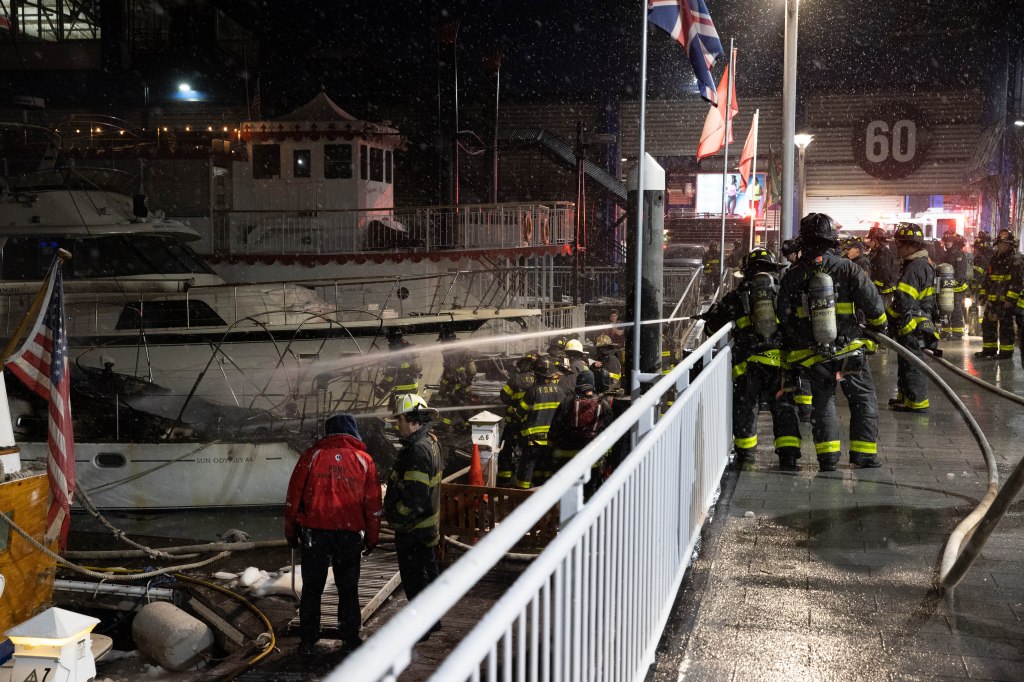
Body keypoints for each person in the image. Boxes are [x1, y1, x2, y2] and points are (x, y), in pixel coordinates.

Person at [778, 213, 888, 471]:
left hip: (814, 353)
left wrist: (799, 341)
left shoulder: (794, 274)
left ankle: (827, 459)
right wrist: (878, 328)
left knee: (823, 401)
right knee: (862, 398)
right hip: (850, 348)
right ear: (832, 240)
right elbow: (874, 305)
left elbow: (783, 315)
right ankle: (864, 455)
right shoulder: (849, 268)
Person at [285, 414, 381, 657]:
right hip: (349, 535)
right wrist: (372, 536)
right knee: (348, 588)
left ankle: (308, 640)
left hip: (315, 533)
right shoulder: (364, 460)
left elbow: (293, 498)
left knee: (312, 588)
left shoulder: (311, 456)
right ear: (353, 432)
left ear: (328, 432)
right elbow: (373, 504)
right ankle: (349, 639)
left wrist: (291, 532)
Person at [703, 247, 803, 469]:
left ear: (747, 271)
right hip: (780, 363)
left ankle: (746, 454)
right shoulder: (784, 292)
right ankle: (789, 455)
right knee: (784, 408)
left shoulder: (735, 297)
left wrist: (711, 315)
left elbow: (711, 328)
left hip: (748, 364)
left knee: (746, 407)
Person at [383, 394, 444, 639]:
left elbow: (415, 497)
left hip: (413, 529)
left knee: (415, 580)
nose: (397, 425)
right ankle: (433, 621)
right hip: (427, 527)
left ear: (412, 420)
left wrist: (395, 516)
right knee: (428, 574)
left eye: (400, 420)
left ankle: (422, 627)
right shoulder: (431, 442)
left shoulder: (417, 450)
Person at [888, 224, 939, 413]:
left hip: (913, 324)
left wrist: (887, 318)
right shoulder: (921, 263)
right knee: (906, 360)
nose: (898, 249)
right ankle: (906, 397)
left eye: (899, 245)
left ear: (910, 246)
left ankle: (917, 402)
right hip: (917, 322)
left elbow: (903, 300)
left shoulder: (915, 267)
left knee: (913, 362)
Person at [548, 370, 613, 496]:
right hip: (592, 458)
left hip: (568, 458)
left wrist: (552, 449)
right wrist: (606, 457)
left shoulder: (567, 401)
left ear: (578, 383)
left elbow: (555, 428)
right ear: (592, 384)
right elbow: (608, 432)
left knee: (568, 492)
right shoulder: (603, 404)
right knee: (590, 492)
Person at [515, 356, 570, 489]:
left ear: (537, 375)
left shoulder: (532, 391)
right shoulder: (560, 391)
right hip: (551, 439)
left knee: (527, 466)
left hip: (533, 439)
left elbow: (519, 414)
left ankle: (522, 493)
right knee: (545, 466)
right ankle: (544, 492)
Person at [976, 229, 1022, 359]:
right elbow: (987, 278)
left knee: (1006, 327)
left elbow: (1017, 282)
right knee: (987, 324)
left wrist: (1010, 300)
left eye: (1004, 243)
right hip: (992, 300)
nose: (1001, 246)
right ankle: (989, 350)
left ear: (1010, 245)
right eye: (1000, 243)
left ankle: (1006, 352)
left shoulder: (1015, 260)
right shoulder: (994, 258)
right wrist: (983, 295)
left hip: (1006, 301)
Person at [497, 354, 536, 487]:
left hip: (514, 422)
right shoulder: (537, 379)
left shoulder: (515, 379)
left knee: (506, 450)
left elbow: (504, 396)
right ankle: (526, 479)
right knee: (527, 452)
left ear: (523, 365)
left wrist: (514, 402)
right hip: (530, 424)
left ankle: (504, 478)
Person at [379, 328, 422, 409]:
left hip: (400, 391)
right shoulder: (407, 346)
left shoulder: (395, 350)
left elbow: (391, 373)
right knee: (410, 410)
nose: (389, 342)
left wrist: (383, 385)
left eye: (389, 339)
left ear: (392, 338)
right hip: (413, 389)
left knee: (397, 411)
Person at [939, 230, 971, 339]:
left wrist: (949, 283)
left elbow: (960, 274)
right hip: (947, 287)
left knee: (955, 309)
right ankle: (945, 330)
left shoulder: (959, 255)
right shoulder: (946, 254)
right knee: (944, 308)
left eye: (949, 241)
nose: (947, 243)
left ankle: (957, 333)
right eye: (945, 241)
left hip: (958, 288)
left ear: (954, 242)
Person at [864, 226, 898, 302]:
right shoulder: (875, 251)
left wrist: (875, 285)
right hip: (878, 289)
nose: (868, 242)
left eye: (870, 240)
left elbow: (884, 273)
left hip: (884, 291)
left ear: (876, 241)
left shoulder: (884, 253)